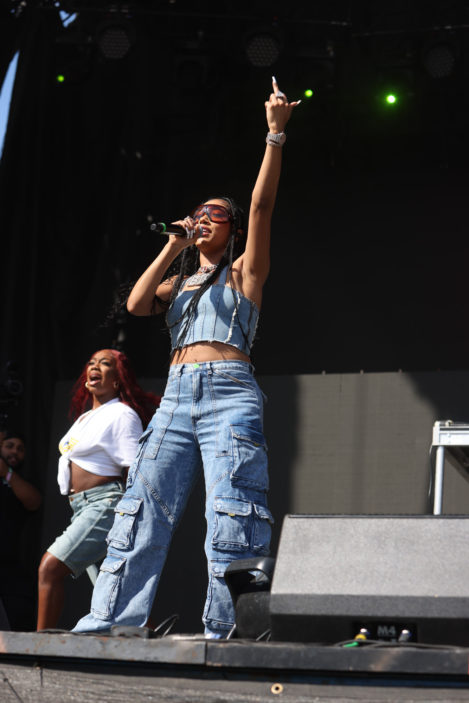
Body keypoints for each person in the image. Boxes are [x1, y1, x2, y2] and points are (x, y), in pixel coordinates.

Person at [73, 78, 298, 638]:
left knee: (231, 510)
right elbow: (136, 303)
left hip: (228, 391)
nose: (204, 218)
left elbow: (261, 205)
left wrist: (274, 135)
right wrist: (173, 243)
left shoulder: (244, 271)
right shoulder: (181, 284)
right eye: (198, 212)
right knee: (142, 508)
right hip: (175, 398)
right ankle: (110, 621)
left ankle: (229, 630)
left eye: (214, 214)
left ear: (231, 228)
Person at [37, 349, 160, 630]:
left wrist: (133, 515)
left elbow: (133, 469)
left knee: (50, 568)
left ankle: (38, 644)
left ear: (117, 379)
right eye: (92, 363)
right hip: (81, 507)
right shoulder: (84, 419)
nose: (95, 366)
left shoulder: (122, 414)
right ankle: (149, 632)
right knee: (115, 587)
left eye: (105, 364)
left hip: (105, 504)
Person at [0, 430, 42, 630]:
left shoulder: (22, 480)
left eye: (20, 449)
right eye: (9, 446)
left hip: (8, 565)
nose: (15, 452)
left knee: (17, 617)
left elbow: (34, 502)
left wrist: (6, 473)